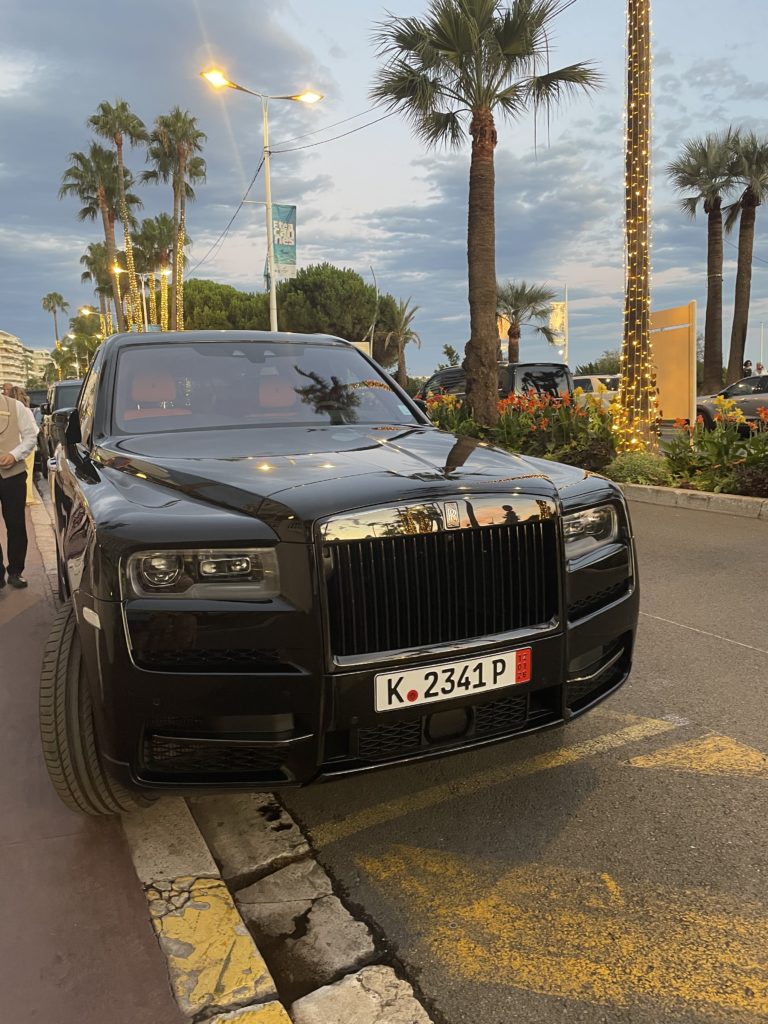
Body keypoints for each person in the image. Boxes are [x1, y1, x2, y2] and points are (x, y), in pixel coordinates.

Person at [0, 388, 39, 589]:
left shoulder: (16, 407)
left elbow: (31, 437)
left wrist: (14, 455)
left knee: (16, 525)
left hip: (13, 476)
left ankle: (15, 571)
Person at [8, 387, 38, 505]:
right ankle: (28, 498)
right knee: (28, 472)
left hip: (13, 446)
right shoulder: (25, 410)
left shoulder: (9, 410)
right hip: (26, 446)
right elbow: (33, 430)